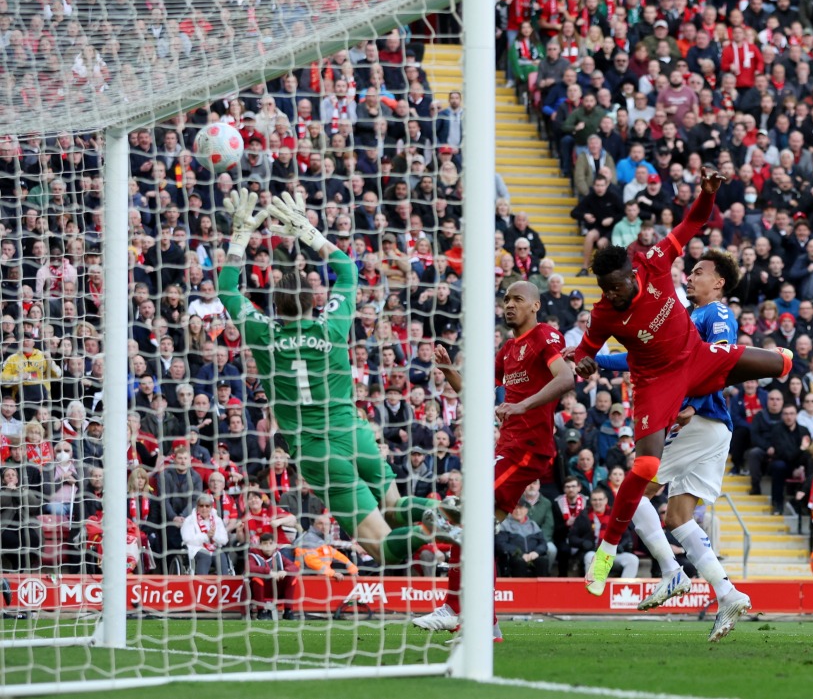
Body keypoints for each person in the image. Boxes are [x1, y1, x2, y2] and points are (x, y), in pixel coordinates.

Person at [572, 170, 792, 596]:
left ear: (633, 271)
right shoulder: (603, 314)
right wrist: (583, 362)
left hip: (696, 361)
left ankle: (688, 578)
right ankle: (606, 552)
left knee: (782, 363)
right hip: (656, 383)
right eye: (605, 290)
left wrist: (708, 194)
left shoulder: (654, 261)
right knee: (646, 468)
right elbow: (587, 351)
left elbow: (693, 222)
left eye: (617, 287)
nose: (612, 295)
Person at [217, 190, 450, 567]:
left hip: (317, 452)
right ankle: (448, 513)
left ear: (275, 306)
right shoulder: (332, 326)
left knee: (384, 548)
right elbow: (348, 270)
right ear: (315, 300)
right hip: (354, 435)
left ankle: (430, 529)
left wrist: (240, 237)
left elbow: (227, 289)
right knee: (396, 506)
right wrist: (308, 232)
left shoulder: (263, 333)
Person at [592, 249, 753, 640]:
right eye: (690, 271)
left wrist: (693, 403)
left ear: (718, 283)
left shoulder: (716, 314)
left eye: (699, 272)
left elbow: (722, 360)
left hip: (701, 421)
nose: (690, 276)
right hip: (710, 428)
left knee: (633, 493)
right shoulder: (686, 317)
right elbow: (643, 360)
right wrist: (598, 359)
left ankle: (671, 571)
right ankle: (727, 593)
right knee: (678, 517)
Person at [412, 281, 574, 640]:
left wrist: (522, 405)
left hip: (529, 448)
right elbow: (480, 395)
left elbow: (566, 379)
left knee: (469, 515)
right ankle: (487, 622)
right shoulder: (508, 350)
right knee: (472, 525)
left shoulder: (544, 336)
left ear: (535, 305)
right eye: (506, 299)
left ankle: (453, 608)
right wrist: (449, 371)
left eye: (518, 299)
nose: (510, 305)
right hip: (509, 447)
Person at [247, 532, 299, 620]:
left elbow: (294, 567)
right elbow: (250, 568)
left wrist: (285, 571)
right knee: (257, 578)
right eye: (265, 544)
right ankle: (261, 611)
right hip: (258, 591)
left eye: (270, 543)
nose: (268, 546)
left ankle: (288, 611)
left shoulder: (278, 555)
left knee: (291, 577)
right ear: (260, 546)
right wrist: (269, 572)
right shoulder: (253, 555)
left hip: (276, 590)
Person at [181, 493, 232, 575]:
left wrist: (214, 536)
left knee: (221, 555)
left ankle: (224, 580)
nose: (204, 508)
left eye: (207, 506)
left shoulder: (217, 520)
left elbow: (224, 539)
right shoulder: (189, 520)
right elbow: (187, 539)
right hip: (196, 548)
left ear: (211, 507)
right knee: (205, 556)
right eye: (201, 506)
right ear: (197, 507)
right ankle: (202, 581)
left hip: (213, 548)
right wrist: (206, 536)